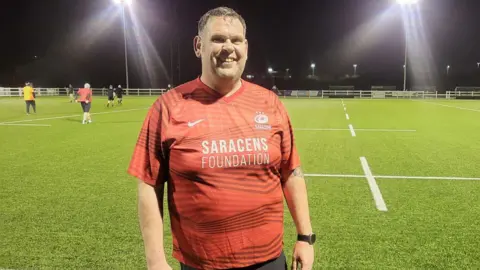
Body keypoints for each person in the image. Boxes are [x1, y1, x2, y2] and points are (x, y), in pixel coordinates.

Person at [128, 6, 315, 270]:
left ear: (246, 48)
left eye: (236, 40)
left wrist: (305, 237)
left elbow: (291, 172)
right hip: (201, 263)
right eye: (217, 39)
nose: (228, 47)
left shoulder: (269, 103)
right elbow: (149, 184)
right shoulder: (168, 107)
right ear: (198, 45)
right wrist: (155, 260)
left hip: (269, 261)